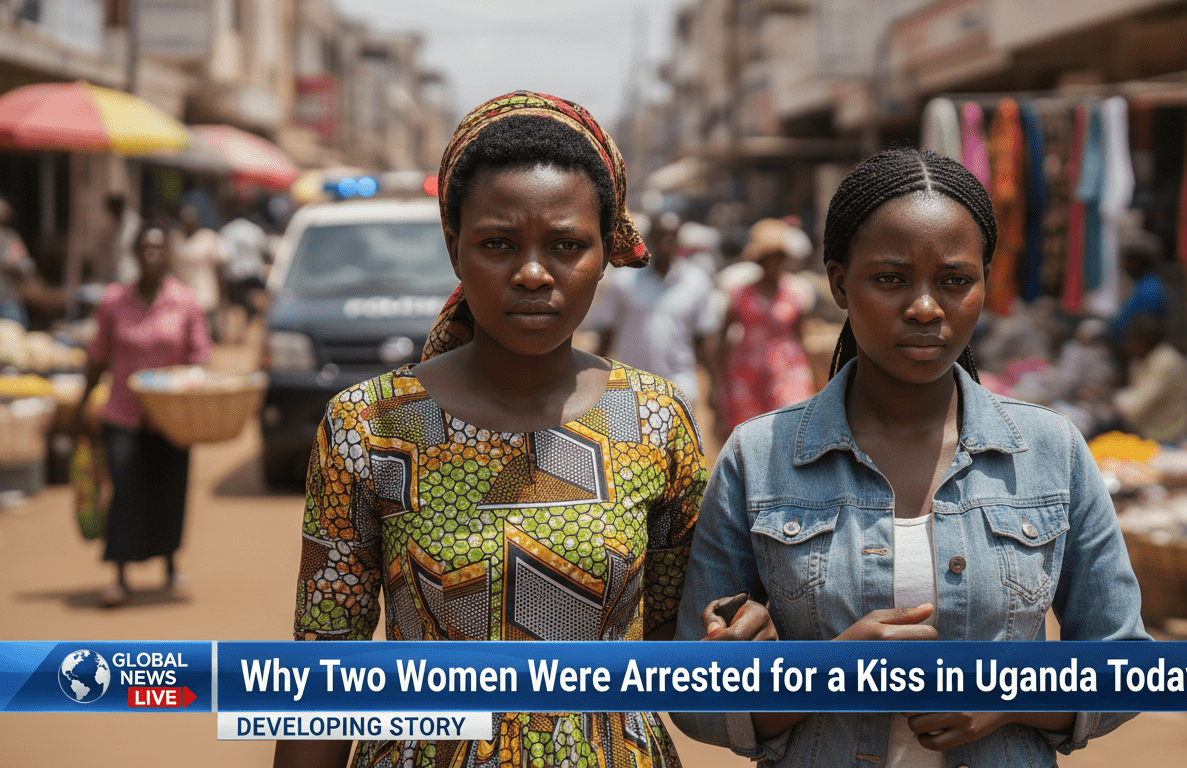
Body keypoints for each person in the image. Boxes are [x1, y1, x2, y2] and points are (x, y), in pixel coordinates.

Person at [672, 148, 1148, 768]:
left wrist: (1008, 700)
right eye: (891, 279)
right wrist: (825, 674)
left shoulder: (1050, 453)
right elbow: (693, 694)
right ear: (840, 283)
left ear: (983, 283)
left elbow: (1128, 666)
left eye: (954, 281)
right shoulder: (759, 459)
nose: (925, 308)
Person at [275, 91, 702, 768]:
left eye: (566, 245)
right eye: (498, 244)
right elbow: (323, 671)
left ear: (604, 251)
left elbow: (683, 660)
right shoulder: (370, 425)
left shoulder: (654, 422)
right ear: (454, 248)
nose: (533, 273)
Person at [76, 222, 211, 608]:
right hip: (123, 413)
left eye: (158, 247)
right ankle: (119, 573)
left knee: (169, 488)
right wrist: (82, 404)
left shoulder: (185, 301)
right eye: (144, 248)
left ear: (167, 254)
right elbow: (98, 355)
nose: (151, 254)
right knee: (126, 489)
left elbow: (200, 354)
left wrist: (190, 386)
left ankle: (170, 564)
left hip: (171, 416)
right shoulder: (113, 302)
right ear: (134, 254)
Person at [589, 210, 720, 404]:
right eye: (660, 236)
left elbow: (704, 340)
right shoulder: (624, 281)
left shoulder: (696, 282)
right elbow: (607, 334)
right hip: (631, 389)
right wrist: (593, 381)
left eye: (671, 236)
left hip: (679, 389)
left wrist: (715, 385)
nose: (665, 242)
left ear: (678, 240)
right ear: (649, 238)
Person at [718, 218, 816, 431]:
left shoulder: (796, 293)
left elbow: (801, 335)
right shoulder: (740, 295)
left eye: (779, 257)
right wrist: (718, 384)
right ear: (760, 260)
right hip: (747, 374)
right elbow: (722, 339)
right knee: (751, 433)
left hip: (787, 370)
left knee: (792, 426)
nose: (776, 263)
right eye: (770, 258)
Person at [1113, 313, 1187, 444]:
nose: (1129, 344)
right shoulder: (1146, 359)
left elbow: (1133, 408)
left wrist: (1113, 396)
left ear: (1143, 339)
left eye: (1132, 339)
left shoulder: (1165, 362)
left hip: (1167, 439)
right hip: (1151, 435)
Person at [172, 204, 229, 338]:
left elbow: (219, 269)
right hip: (179, 296)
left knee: (202, 336)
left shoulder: (208, 238)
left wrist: (223, 296)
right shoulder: (174, 239)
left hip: (205, 296)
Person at [1108, 229, 1166, 346]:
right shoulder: (1142, 285)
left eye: (1129, 260)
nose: (1125, 265)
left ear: (1140, 261)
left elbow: (1140, 331)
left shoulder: (1150, 290)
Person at [0, 197, 35, 326]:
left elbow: (25, 265)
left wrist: (12, 264)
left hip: (7, 298)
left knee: (14, 336)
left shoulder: (10, 237)